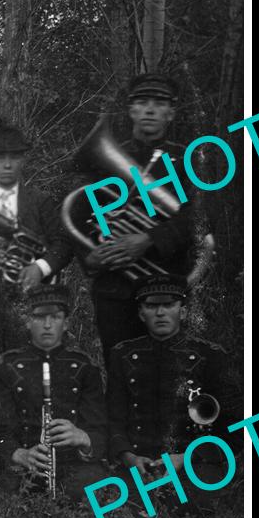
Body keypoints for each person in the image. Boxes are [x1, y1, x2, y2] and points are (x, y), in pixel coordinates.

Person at [77, 74, 196, 366]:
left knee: (169, 371)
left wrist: (147, 240)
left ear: (171, 113)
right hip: (114, 289)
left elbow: (193, 219)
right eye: (142, 103)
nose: (150, 110)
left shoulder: (185, 163)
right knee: (120, 369)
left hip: (164, 287)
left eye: (159, 104)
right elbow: (79, 216)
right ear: (131, 111)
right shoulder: (106, 163)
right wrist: (89, 256)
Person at [106, 275, 239, 510]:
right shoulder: (122, 355)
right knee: (118, 503)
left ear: (183, 311)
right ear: (141, 313)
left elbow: (229, 425)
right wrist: (129, 458)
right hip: (139, 462)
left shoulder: (210, 356)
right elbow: (114, 417)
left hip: (192, 463)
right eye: (152, 306)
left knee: (200, 503)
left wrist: (187, 458)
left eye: (168, 305)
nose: (160, 313)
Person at [0, 125, 75, 355]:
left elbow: (63, 243)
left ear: (23, 160)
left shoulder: (40, 201)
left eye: (13, 157)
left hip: (28, 299)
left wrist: (40, 268)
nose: (6, 164)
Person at [0, 284, 107, 500]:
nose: (47, 325)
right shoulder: (6, 365)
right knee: (7, 494)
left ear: (66, 323)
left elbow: (99, 427)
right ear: (28, 321)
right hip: (24, 463)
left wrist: (82, 437)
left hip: (74, 464)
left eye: (55, 317)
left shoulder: (84, 366)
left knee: (94, 490)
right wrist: (17, 454)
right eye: (38, 317)